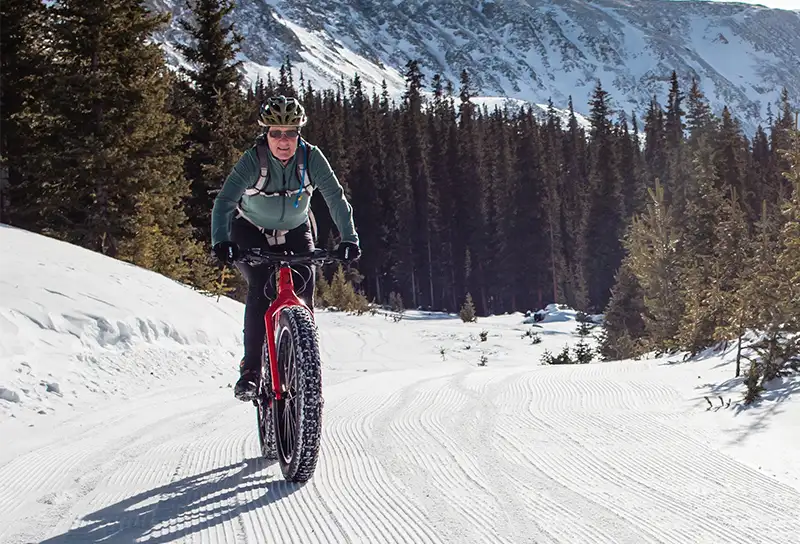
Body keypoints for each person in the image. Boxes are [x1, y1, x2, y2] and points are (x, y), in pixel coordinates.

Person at [210, 95, 361, 401]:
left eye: (290, 133)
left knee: (304, 288)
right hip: (250, 230)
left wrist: (349, 238)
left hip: (296, 229)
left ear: (298, 134)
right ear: (266, 133)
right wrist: (222, 242)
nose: (283, 140)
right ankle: (251, 370)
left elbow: (335, 197)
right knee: (260, 286)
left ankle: (304, 359)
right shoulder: (253, 160)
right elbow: (225, 202)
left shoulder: (311, 158)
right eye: (275, 133)